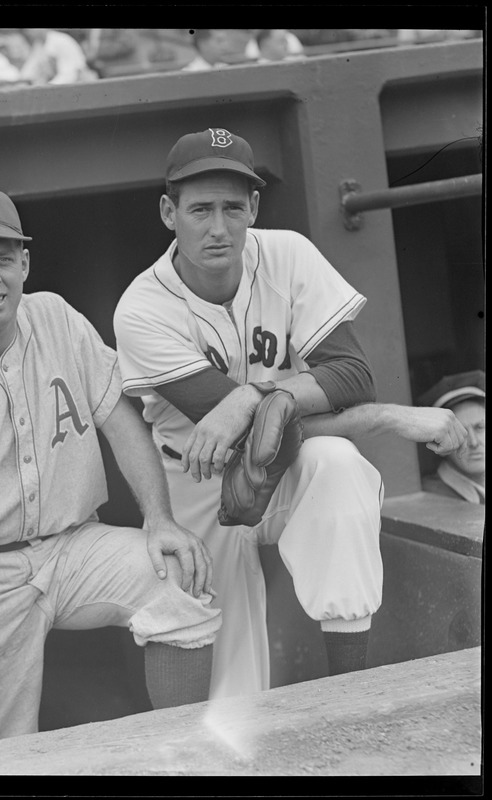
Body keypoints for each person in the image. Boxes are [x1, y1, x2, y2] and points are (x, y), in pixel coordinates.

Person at [0, 184, 221, 746]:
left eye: (4, 260)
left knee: (178, 582)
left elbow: (120, 420)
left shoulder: (55, 316)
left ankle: (186, 759)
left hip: (74, 547)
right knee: (4, 752)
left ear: (25, 263)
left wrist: (159, 519)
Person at [113, 127, 449, 699]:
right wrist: (386, 417)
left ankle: (351, 693)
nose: (218, 227)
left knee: (337, 465)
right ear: (169, 213)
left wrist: (250, 395)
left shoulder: (286, 253)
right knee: (230, 683)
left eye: (232, 208)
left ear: (254, 208)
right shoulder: (142, 307)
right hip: (195, 480)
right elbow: (252, 438)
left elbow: (352, 374)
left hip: (288, 457)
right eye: (200, 210)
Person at [417, 371, 485, 503]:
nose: (474, 442)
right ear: (438, 443)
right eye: (460, 431)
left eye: (480, 427)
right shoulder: (432, 496)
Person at [20, 28, 98, 84]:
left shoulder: (61, 41)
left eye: (30, 29)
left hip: (81, 87)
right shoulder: (38, 45)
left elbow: (69, 75)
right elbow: (28, 72)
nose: (28, 32)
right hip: (60, 90)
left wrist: (46, 87)